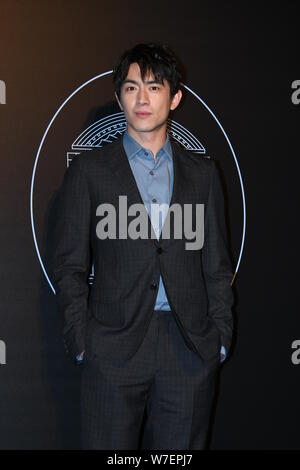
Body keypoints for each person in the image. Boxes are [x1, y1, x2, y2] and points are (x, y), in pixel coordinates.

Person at [53, 42, 234, 450]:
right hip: (112, 348)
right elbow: (69, 266)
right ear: (119, 97)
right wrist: (82, 340)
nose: (142, 98)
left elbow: (218, 267)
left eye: (154, 87)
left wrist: (218, 339)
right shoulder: (89, 171)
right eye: (132, 87)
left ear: (175, 97)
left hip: (188, 348)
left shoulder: (203, 175)